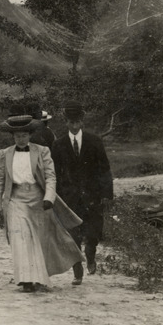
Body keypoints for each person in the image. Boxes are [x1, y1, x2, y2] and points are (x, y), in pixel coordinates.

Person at [0, 114, 84, 292]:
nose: (21, 139)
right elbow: (0, 181)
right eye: (17, 136)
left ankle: (40, 277)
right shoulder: (5, 154)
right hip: (16, 199)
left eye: (24, 135)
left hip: (38, 199)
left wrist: (49, 198)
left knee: (40, 240)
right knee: (21, 238)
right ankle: (26, 280)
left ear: (30, 135)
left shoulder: (42, 151)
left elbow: (50, 177)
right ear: (13, 136)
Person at [50, 102, 113, 282]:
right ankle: (77, 270)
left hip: (93, 195)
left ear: (82, 122)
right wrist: (55, 196)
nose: (75, 126)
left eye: (77, 122)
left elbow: (104, 169)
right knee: (73, 235)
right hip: (69, 198)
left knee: (93, 232)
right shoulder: (59, 145)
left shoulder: (94, 141)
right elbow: (54, 173)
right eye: (71, 122)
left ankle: (90, 254)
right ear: (66, 122)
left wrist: (106, 194)